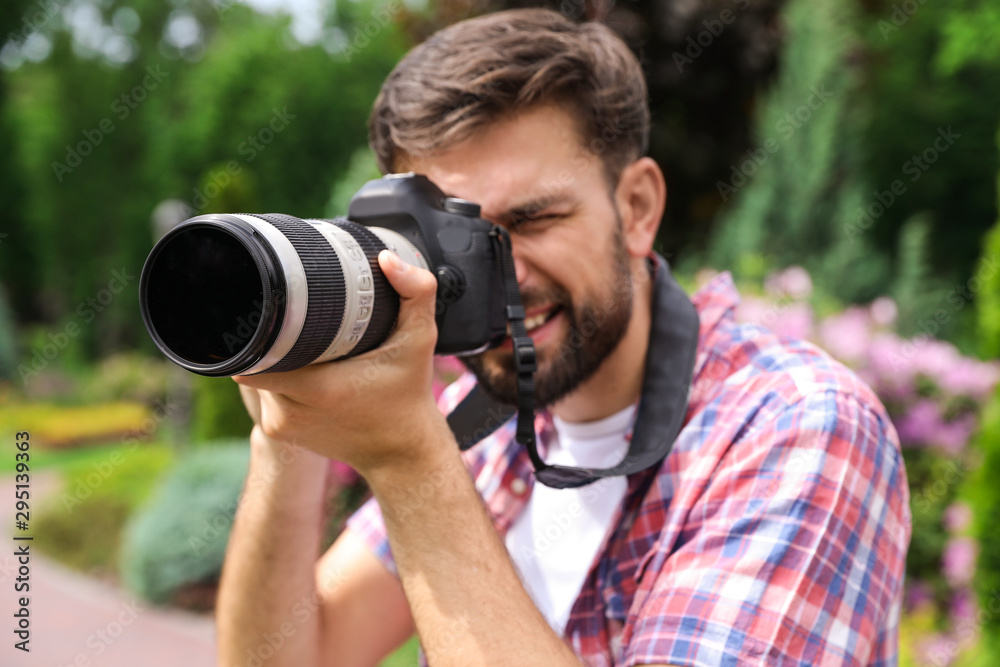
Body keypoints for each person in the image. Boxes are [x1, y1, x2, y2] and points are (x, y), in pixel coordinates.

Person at [217, 8, 911, 667]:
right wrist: (288, 436)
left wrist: (409, 462)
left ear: (636, 208)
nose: (500, 274)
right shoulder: (489, 434)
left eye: (533, 219)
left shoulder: (794, 425)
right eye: (458, 240)